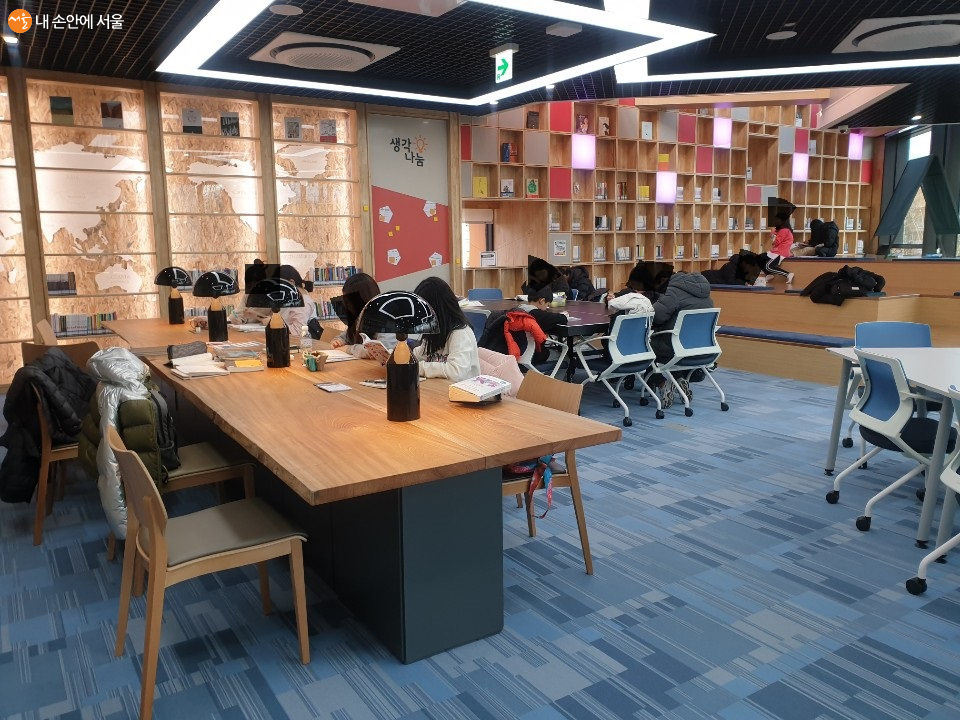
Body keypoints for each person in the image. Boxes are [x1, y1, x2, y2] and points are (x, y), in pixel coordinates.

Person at [649, 271, 713, 405]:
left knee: (642, 347)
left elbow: (656, 315)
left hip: (674, 346)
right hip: (700, 347)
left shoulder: (675, 291)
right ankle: (679, 380)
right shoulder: (707, 296)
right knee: (672, 349)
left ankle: (662, 383)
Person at [412, 276, 480, 381]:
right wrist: (395, 356)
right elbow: (417, 356)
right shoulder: (433, 333)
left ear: (436, 310)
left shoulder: (460, 334)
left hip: (463, 389)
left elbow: (456, 372)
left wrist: (418, 367)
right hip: (441, 388)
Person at [330, 272, 398, 358]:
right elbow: (346, 336)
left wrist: (349, 349)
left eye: (349, 301)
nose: (346, 306)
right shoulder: (359, 317)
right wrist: (338, 341)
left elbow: (380, 351)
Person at [757, 212, 795, 284]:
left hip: (780, 253)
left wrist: (772, 233)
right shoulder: (781, 230)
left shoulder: (785, 230)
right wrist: (773, 233)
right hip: (775, 251)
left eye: (777, 220)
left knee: (768, 266)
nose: (775, 221)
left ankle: (788, 274)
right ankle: (769, 274)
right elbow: (774, 239)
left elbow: (776, 242)